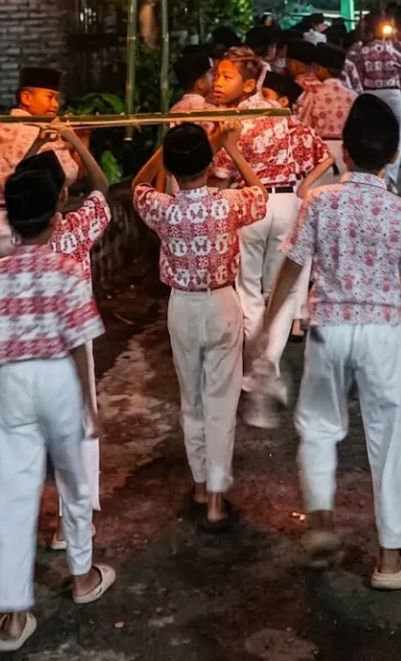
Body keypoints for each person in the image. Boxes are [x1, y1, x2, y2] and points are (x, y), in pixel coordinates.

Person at [251, 94, 401, 586]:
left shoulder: (320, 202)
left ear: (346, 153)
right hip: (380, 335)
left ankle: (320, 518)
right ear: (394, 155)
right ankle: (391, 559)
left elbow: (291, 267)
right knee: (387, 437)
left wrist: (267, 324)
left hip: (329, 329)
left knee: (318, 427)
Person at [0, 167, 116, 653]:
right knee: (74, 480)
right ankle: (83, 576)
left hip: (11, 381)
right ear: (56, 217)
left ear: (11, 220)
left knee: (12, 496)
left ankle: (13, 619)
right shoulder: (67, 270)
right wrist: (88, 406)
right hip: (56, 377)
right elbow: (77, 344)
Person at [132, 122, 268, 530]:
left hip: (182, 307)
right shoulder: (228, 204)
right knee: (221, 402)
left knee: (191, 399)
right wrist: (231, 147)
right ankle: (216, 497)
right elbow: (260, 193)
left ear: (171, 169)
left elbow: (138, 186)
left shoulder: (163, 208)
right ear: (210, 165)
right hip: (222, 302)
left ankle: (198, 483)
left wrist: (162, 150)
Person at [18, 124, 111, 552]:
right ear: (62, 196)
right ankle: (70, 523)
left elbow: (19, 190)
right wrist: (74, 142)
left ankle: (53, 515)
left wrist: (38, 144)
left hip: (30, 345)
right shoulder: (75, 229)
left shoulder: (16, 237)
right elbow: (103, 187)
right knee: (81, 429)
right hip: (71, 341)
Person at [211, 50, 320, 412]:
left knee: (248, 290)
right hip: (288, 204)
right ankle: (268, 364)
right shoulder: (281, 114)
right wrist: (305, 188)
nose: (217, 82)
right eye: (218, 75)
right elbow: (320, 155)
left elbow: (221, 175)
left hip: (251, 205)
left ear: (247, 84)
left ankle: (259, 367)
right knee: (281, 292)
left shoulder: (232, 121)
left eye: (226, 76)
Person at [0, 67, 78, 264]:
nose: (55, 105)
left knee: (0, 279)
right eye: (50, 97)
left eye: (56, 99)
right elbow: (69, 174)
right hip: (24, 226)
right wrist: (77, 143)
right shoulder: (43, 134)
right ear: (26, 98)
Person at [260, 70, 334, 359]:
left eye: (266, 96)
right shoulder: (297, 129)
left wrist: (304, 184)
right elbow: (326, 157)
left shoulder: (265, 128)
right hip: (292, 198)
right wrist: (305, 185)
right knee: (294, 264)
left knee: (278, 268)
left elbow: (326, 156)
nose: (261, 101)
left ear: (283, 101)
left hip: (277, 199)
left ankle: (275, 328)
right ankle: (292, 323)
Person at [351, 15, 401, 191]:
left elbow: (358, 78)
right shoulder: (396, 52)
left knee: (374, 135)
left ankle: (378, 176)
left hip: (371, 94)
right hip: (393, 93)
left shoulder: (362, 53)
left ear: (369, 32)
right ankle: (391, 177)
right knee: (397, 135)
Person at [296, 43, 356, 175]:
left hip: (320, 153)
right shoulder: (353, 96)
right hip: (347, 153)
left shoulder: (314, 94)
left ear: (320, 69)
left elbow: (304, 127)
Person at [170, 44, 214, 116]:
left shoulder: (174, 108)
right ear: (200, 84)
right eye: (211, 73)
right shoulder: (208, 109)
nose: (214, 78)